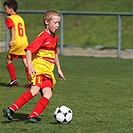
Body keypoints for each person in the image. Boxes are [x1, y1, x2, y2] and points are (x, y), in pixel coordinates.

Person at [2, 10, 65, 124]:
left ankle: (32, 116)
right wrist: (30, 67)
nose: (57, 26)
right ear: (47, 22)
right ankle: (11, 109)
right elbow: (29, 50)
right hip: (39, 69)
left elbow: (55, 53)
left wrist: (59, 69)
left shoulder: (54, 38)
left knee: (48, 93)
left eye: (58, 23)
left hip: (48, 71)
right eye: (55, 23)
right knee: (34, 90)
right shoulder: (42, 36)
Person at [3, 0, 30, 87]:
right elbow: (24, 29)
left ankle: (13, 79)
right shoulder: (20, 18)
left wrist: (11, 40)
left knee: (9, 59)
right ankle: (31, 81)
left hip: (16, 41)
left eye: (6, 9)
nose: (5, 11)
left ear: (11, 9)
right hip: (24, 41)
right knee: (25, 61)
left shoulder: (9, 19)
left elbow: (13, 29)